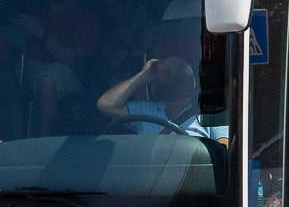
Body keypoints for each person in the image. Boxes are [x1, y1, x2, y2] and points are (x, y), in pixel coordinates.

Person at [15, 0, 98, 135]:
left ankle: (42, 147)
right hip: (25, 68)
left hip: (64, 73)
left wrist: (41, 32)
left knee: (48, 80)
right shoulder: (33, 10)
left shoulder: (85, 17)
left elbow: (75, 63)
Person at [97, 56, 227, 142]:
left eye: (180, 77)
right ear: (160, 85)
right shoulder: (147, 110)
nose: (175, 83)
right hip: (152, 182)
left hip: (193, 180)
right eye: (169, 78)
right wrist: (142, 77)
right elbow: (106, 106)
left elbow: (223, 149)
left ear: (193, 81)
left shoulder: (211, 112)